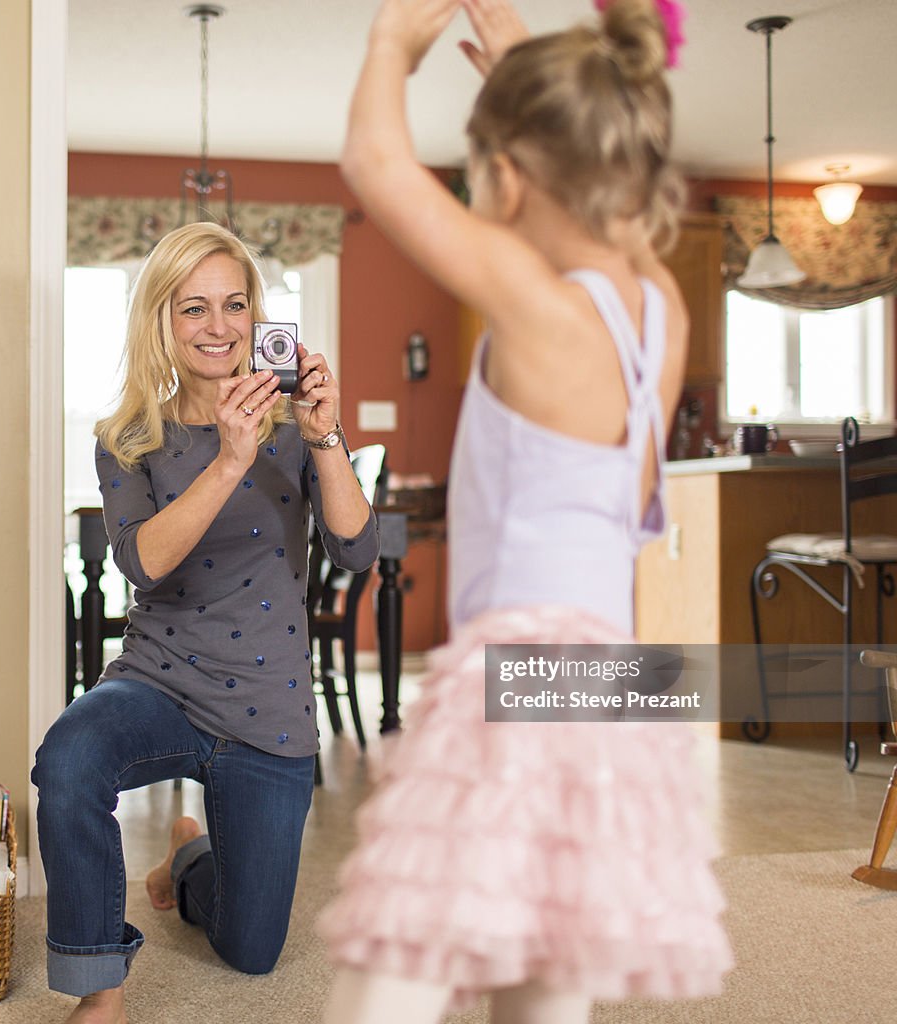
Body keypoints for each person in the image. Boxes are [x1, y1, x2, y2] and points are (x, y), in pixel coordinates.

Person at [318, 0, 732, 1021]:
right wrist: (534, 81)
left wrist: (390, 48)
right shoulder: (658, 313)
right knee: (548, 963)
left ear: (504, 177)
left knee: (399, 961)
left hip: (523, 662)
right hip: (616, 681)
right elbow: (607, 198)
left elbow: (376, 165)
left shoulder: (528, 298)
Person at [33, 220, 379, 1024]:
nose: (218, 326)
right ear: (162, 319)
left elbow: (358, 553)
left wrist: (325, 434)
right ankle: (100, 989)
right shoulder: (126, 438)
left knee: (251, 953)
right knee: (70, 759)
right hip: (159, 683)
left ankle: (187, 856)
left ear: (259, 319)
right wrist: (230, 455)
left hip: (269, 707)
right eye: (194, 308)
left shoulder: (297, 432)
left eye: (234, 305)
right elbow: (143, 563)